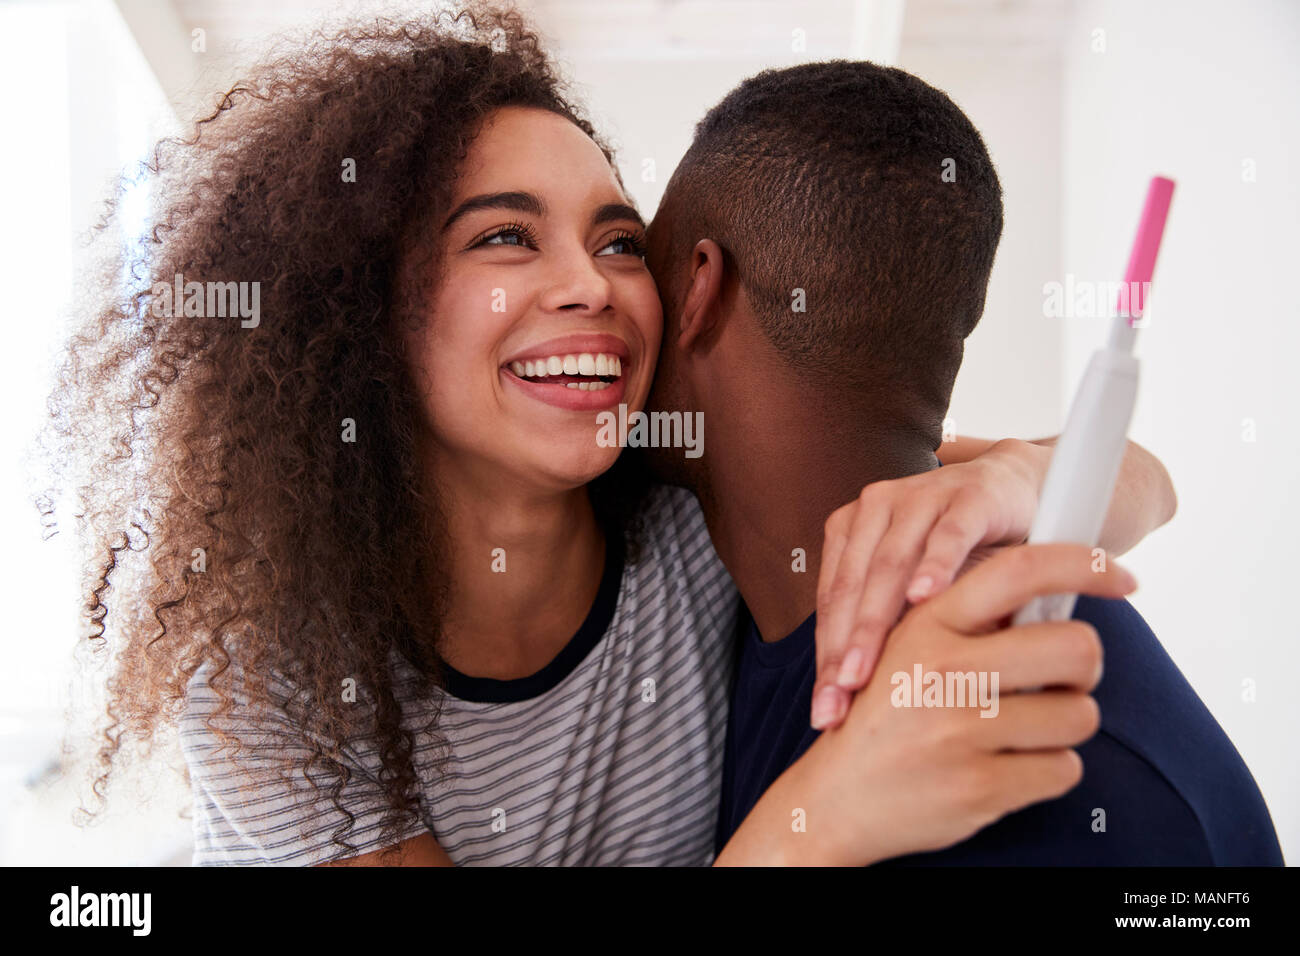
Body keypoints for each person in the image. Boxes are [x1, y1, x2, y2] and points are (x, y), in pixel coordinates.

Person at [39, 6, 1176, 867]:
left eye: (619, 240)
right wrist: (822, 812)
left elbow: (1140, 482)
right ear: (361, 312)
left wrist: (1018, 477)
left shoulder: (683, 522)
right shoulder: (274, 661)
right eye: (503, 238)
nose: (589, 284)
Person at [640, 59, 1284, 865]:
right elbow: (1137, 475)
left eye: (636, 254)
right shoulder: (730, 575)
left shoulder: (1057, 779)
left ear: (699, 288)